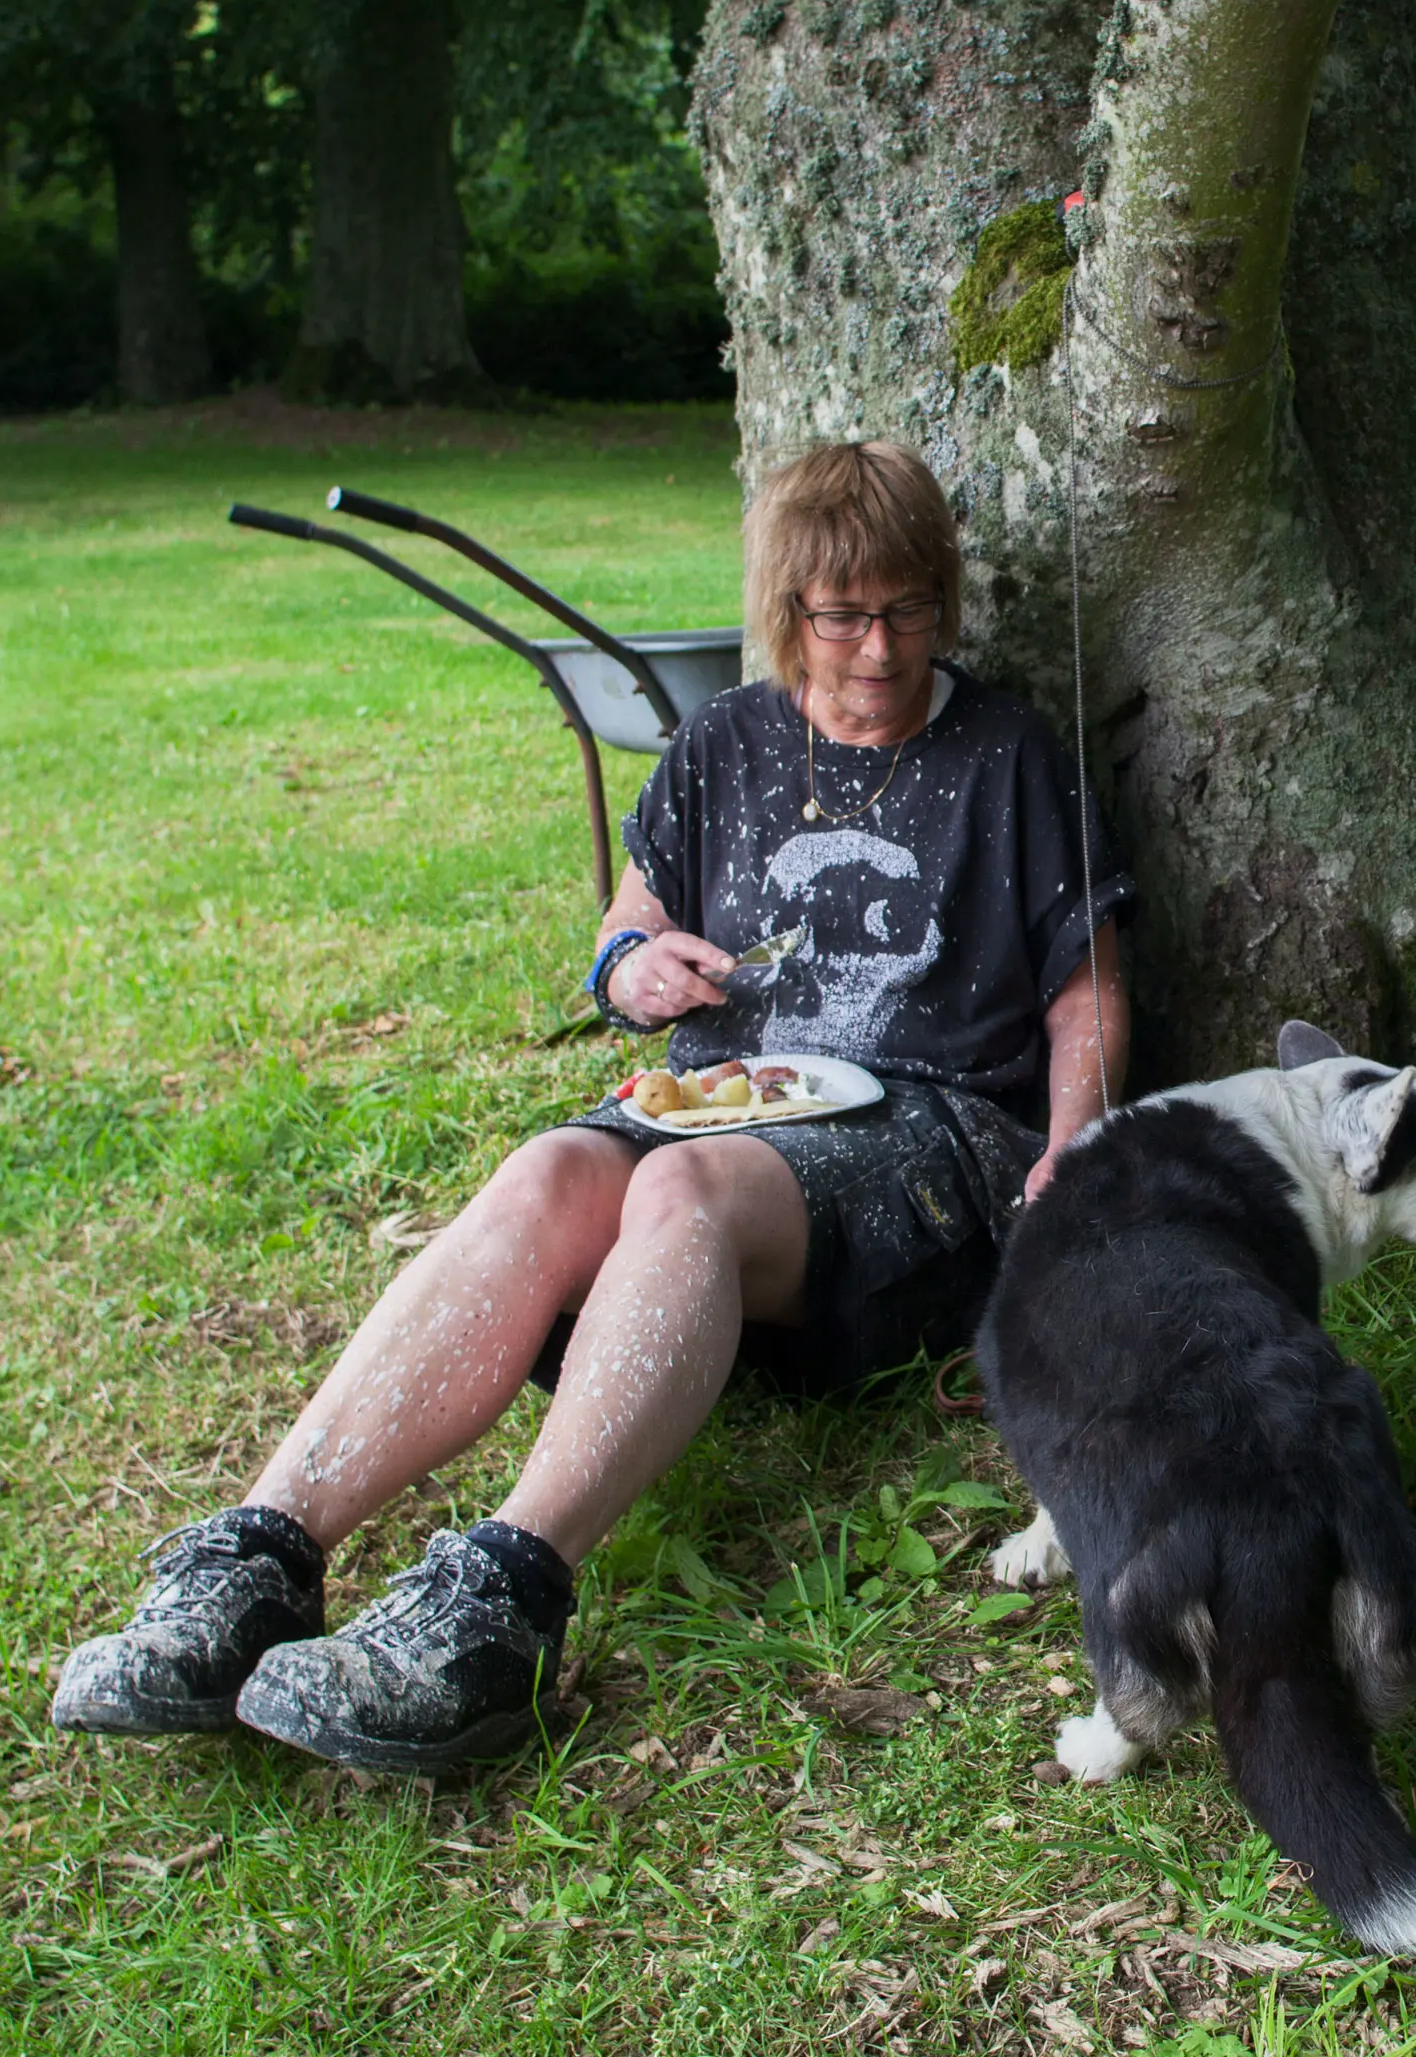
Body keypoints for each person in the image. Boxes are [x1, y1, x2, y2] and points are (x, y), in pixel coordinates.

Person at [55, 440, 1133, 1771]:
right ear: (788, 611)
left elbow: (1085, 991)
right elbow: (632, 921)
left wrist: (1075, 1152)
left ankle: (503, 1601)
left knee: (679, 1187)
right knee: (545, 1175)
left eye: (906, 607)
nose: (877, 645)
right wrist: (632, 967)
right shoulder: (723, 740)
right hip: (722, 1097)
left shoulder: (1010, 755)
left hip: (931, 1143)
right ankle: (260, 1548)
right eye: (842, 613)